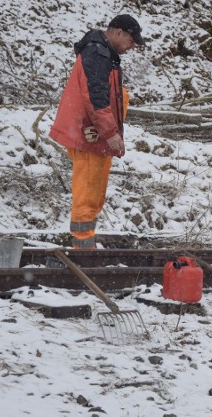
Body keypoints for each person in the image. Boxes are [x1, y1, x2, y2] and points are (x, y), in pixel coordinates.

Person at [49, 14, 146, 250]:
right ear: (119, 32)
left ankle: (85, 245)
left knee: (94, 191)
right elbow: (96, 99)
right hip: (88, 133)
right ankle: (83, 250)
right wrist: (111, 132)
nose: (133, 46)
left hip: (93, 133)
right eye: (132, 40)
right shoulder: (98, 54)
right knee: (88, 192)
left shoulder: (104, 54)